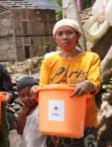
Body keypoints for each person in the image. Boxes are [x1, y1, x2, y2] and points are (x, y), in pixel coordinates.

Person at [32, 19, 101, 147]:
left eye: (69, 32)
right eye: (60, 34)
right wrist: (36, 90)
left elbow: (95, 83)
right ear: (55, 38)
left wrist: (87, 84)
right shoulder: (49, 62)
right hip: (57, 121)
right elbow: (43, 90)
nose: (64, 37)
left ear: (78, 36)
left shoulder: (91, 58)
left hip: (85, 121)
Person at [17, 77, 48, 147]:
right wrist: (22, 114)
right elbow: (19, 131)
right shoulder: (23, 110)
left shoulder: (41, 109)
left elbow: (51, 133)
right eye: (22, 95)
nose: (26, 98)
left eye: (29, 94)